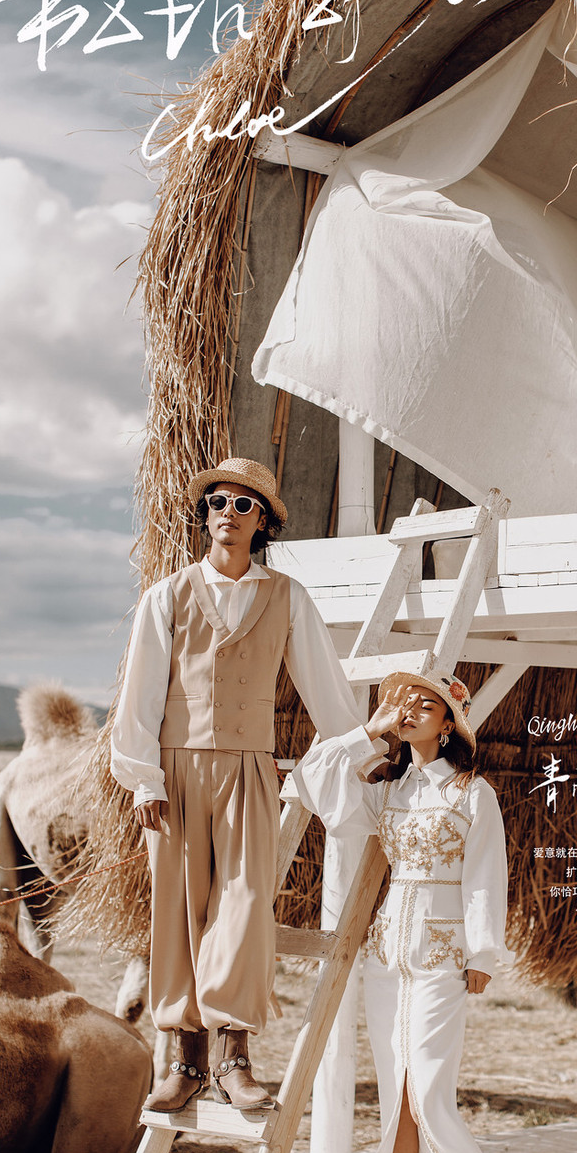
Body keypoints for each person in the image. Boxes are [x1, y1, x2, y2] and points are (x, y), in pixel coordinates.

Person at [110, 457, 364, 1113]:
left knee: (245, 907)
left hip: (250, 768)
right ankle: (185, 1062)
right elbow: (140, 693)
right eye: (217, 501)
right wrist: (143, 780)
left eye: (242, 504)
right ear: (206, 516)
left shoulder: (288, 598)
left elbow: (324, 686)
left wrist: (363, 750)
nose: (227, 512)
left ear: (263, 522)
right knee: (180, 910)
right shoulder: (166, 596)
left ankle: (234, 1059)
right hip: (176, 770)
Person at [293, 670, 542, 1153]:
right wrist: (370, 732)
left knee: (429, 1094)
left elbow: (486, 874)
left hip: (443, 960)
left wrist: (482, 951)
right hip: (386, 960)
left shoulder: (472, 793)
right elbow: (312, 781)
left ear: (450, 722)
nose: (409, 710)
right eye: (401, 702)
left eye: (424, 703)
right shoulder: (387, 792)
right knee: (399, 1102)